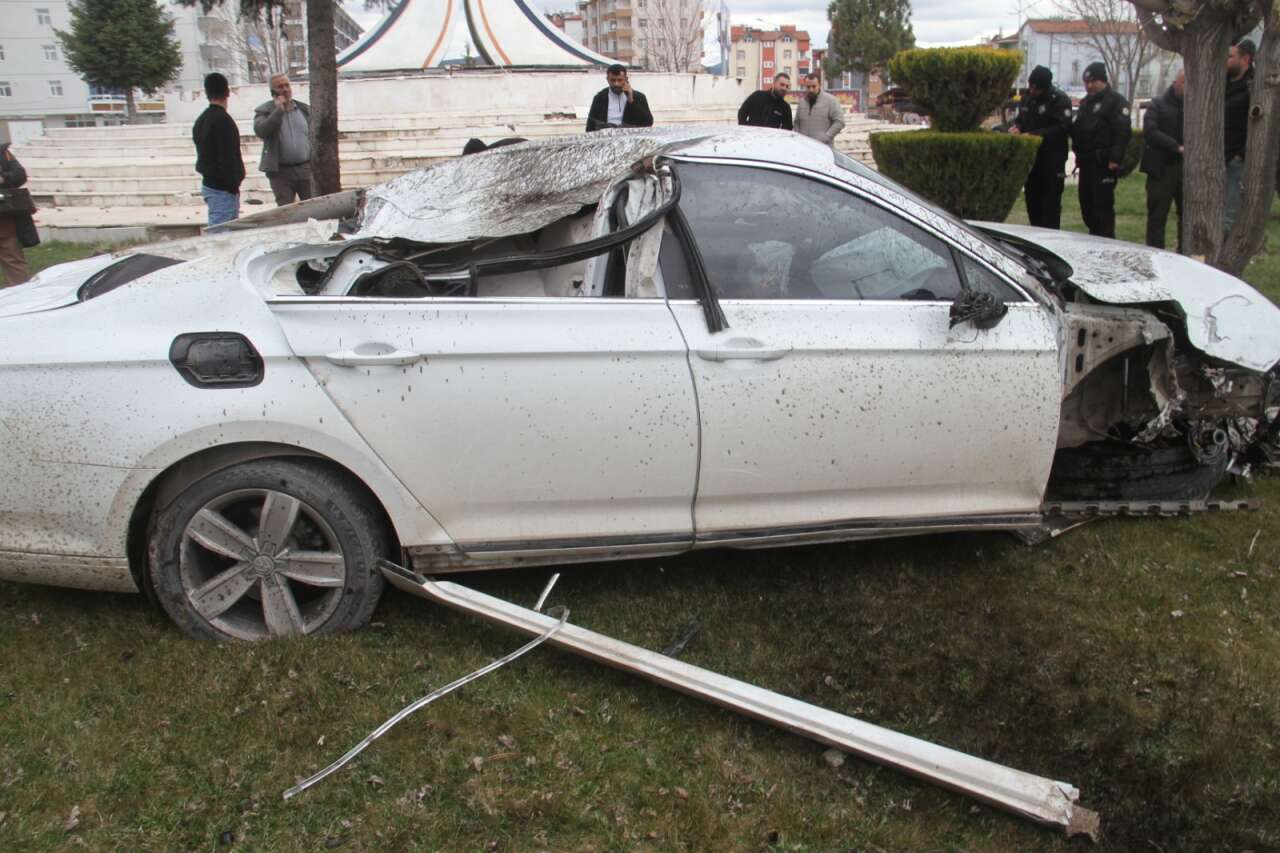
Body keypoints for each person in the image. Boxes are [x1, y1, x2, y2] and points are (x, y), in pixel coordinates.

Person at [1070, 62, 1131, 239]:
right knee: (1087, 208)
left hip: (1104, 164)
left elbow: (1122, 132)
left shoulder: (1116, 102)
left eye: (1093, 82)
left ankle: (1106, 243)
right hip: (1087, 163)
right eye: (1086, 82)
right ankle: (1094, 239)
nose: (1089, 86)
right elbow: (1079, 129)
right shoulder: (1086, 102)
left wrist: (1115, 159)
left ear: (1102, 81)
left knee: (1102, 209)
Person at [1008, 65, 1072, 228]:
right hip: (1031, 160)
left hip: (1051, 160)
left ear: (1045, 87)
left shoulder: (1059, 100)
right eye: (1030, 86)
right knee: (1033, 203)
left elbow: (1062, 128)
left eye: (1036, 88)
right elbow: (1020, 120)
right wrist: (1017, 128)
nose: (1032, 90)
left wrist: (1035, 136)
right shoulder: (1027, 98)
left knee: (1050, 207)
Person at [192, 72, 245, 227]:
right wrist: (233, 185)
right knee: (221, 235)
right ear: (227, 92)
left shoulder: (201, 120)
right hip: (223, 189)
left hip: (210, 184)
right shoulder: (223, 121)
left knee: (220, 229)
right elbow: (228, 157)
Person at [1140, 70, 1185, 251]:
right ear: (1175, 82)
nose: (1187, 88)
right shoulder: (1158, 104)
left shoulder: (1195, 106)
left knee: (1186, 216)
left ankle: (1184, 253)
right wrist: (1176, 146)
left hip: (1184, 169)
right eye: (1183, 83)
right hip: (1161, 168)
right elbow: (1150, 131)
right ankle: (1155, 252)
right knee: (1157, 216)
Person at [253, 73, 313, 206]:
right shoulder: (265, 111)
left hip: (305, 168)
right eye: (280, 87)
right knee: (286, 211)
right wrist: (278, 110)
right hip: (281, 172)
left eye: (287, 85)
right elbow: (261, 131)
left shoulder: (303, 109)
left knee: (312, 207)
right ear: (273, 91)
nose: (285, 89)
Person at [1224, 38, 1255, 232]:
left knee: (1229, 213)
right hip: (1217, 154)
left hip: (1236, 158)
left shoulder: (1254, 86)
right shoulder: (1221, 82)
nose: (1225, 60)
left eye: (1230, 56)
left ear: (1245, 60)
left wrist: (1241, 153)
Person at [0, 142, 34, 286]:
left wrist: (3, 178)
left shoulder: (3, 153)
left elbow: (19, 175)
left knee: (14, 262)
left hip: (5, 223)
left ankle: (21, 300)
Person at [586, 65, 654, 132]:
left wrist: (631, 101)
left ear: (626, 79)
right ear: (607, 80)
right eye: (613, 80)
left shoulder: (639, 97)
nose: (616, 84)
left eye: (619, 80)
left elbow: (648, 123)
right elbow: (590, 127)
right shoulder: (599, 98)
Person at [793, 73, 845, 147]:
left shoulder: (830, 101)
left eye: (814, 86)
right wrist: (797, 138)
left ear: (819, 85)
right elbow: (797, 123)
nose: (811, 89)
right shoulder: (801, 102)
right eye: (808, 87)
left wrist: (826, 137)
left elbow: (840, 122)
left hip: (823, 149)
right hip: (804, 149)